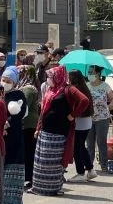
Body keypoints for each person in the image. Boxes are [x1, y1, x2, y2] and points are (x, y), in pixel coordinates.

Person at [30, 66, 88, 196]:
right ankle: (38, 188)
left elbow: (84, 101)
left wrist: (73, 115)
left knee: (54, 163)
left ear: (58, 76)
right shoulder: (50, 90)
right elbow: (43, 111)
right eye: (48, 77)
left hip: (59, 133)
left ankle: (52, 189)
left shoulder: (68, 89)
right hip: (45, 132)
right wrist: (38, 128)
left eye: (51, 77)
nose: (48, 79)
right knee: (41, 162)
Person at [0, 67, 27, 204]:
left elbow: (18, 114)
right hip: (0, 136)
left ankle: (12, 203)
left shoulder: (18, 95)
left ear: (14, 83)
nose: (5, 83)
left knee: (12, 167)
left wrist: (7, 123)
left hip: (13, 135)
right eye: (3, 80)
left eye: (8, 81)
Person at [68, 70, 97, 182]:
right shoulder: (84, 87)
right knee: (81, 147)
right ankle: (90, 169)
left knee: (77, 148)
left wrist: (73, 114)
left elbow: (83, 103)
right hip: (86, 122)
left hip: (80, 122)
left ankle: (80, 173)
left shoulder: (76, 89)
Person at [86, 66, 113, 171]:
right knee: (90, 143)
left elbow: (112, 99)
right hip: (89, 118)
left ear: (98, 74)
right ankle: (89, 165)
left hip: (103, 118)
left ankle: (104, 164)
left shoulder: (105, 86)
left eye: (92, 72)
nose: (89, 74)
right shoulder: (87, 86)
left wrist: (110, 106)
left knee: (101, 141)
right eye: (89, 72)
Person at [18, 66, 41, 189]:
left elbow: (22, 106)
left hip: (28, 124)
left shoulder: (28, 89)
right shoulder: (26, 87)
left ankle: (29, 177)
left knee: (28, 152)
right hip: (27, 124)